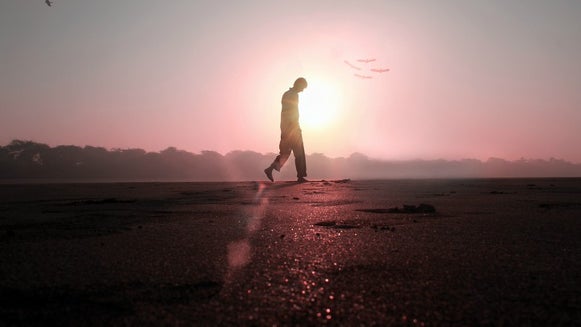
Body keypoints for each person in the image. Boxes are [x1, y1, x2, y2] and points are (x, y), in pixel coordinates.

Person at [264, 77, 308, 183]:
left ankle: (270, 169)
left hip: (285, 128)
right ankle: (300, 177)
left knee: (285, 153)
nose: (302, 91)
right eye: (302, 88)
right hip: (292, 128)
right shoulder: (293, 95)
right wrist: (295, 128)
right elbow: (292, 112)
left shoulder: (287, 94)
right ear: (298, 84)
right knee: (299, 153)